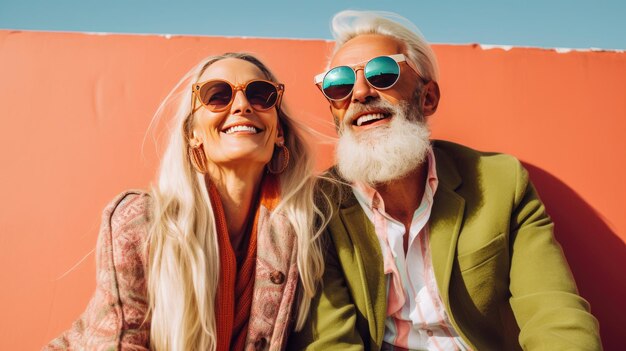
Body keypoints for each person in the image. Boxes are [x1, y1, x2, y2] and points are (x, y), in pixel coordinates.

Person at [288, 10, 602, 351]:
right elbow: (332, 343)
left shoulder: (499, 182)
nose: (360, 92)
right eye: (338, 83)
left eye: (383, 73)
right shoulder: (318, 207)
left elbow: (554, 314)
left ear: (428, 97)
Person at [44, 52, 327, 351]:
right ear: (193, 133)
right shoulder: (141, 222)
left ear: (279, 131)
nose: (242, 105)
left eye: (260, 95)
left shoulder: (308, 227)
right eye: (217, 96)